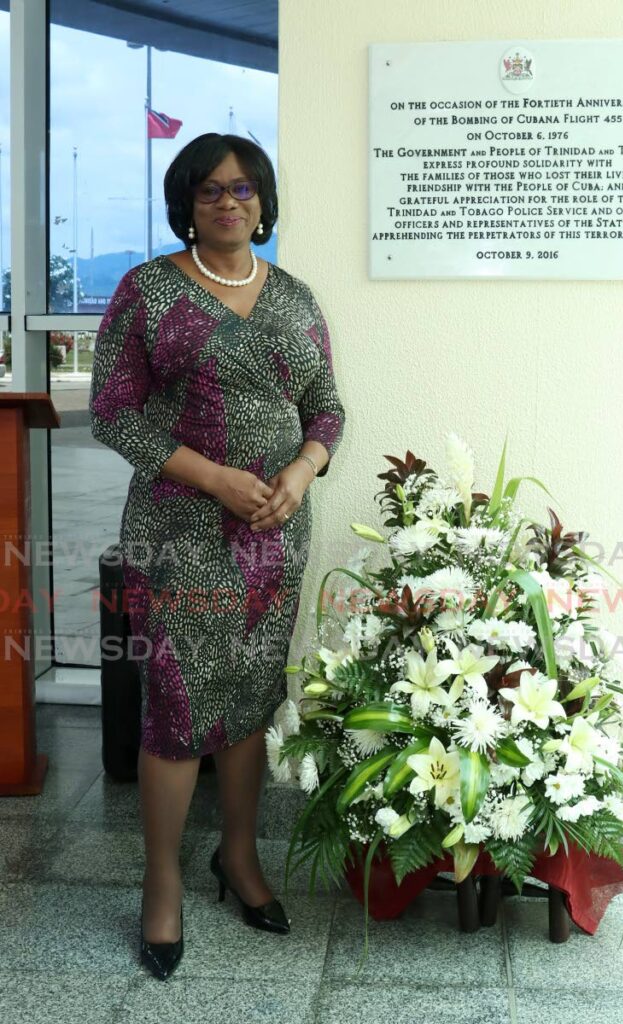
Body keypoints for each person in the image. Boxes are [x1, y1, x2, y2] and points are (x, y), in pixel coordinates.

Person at [89, 132, 346, 980]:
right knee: (176, 698)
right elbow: (115, 412)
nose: (228, 202)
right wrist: (216, 480)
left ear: (264, 202)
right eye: (209, 191)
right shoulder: (149, 292)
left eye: (242, 189)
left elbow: (327, 410)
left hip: (276, 530)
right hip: (181, 529)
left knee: (249, 691)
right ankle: (160, 885)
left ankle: (237, 860)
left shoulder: (298, 298)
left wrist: (301, 475)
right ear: (186, 205)